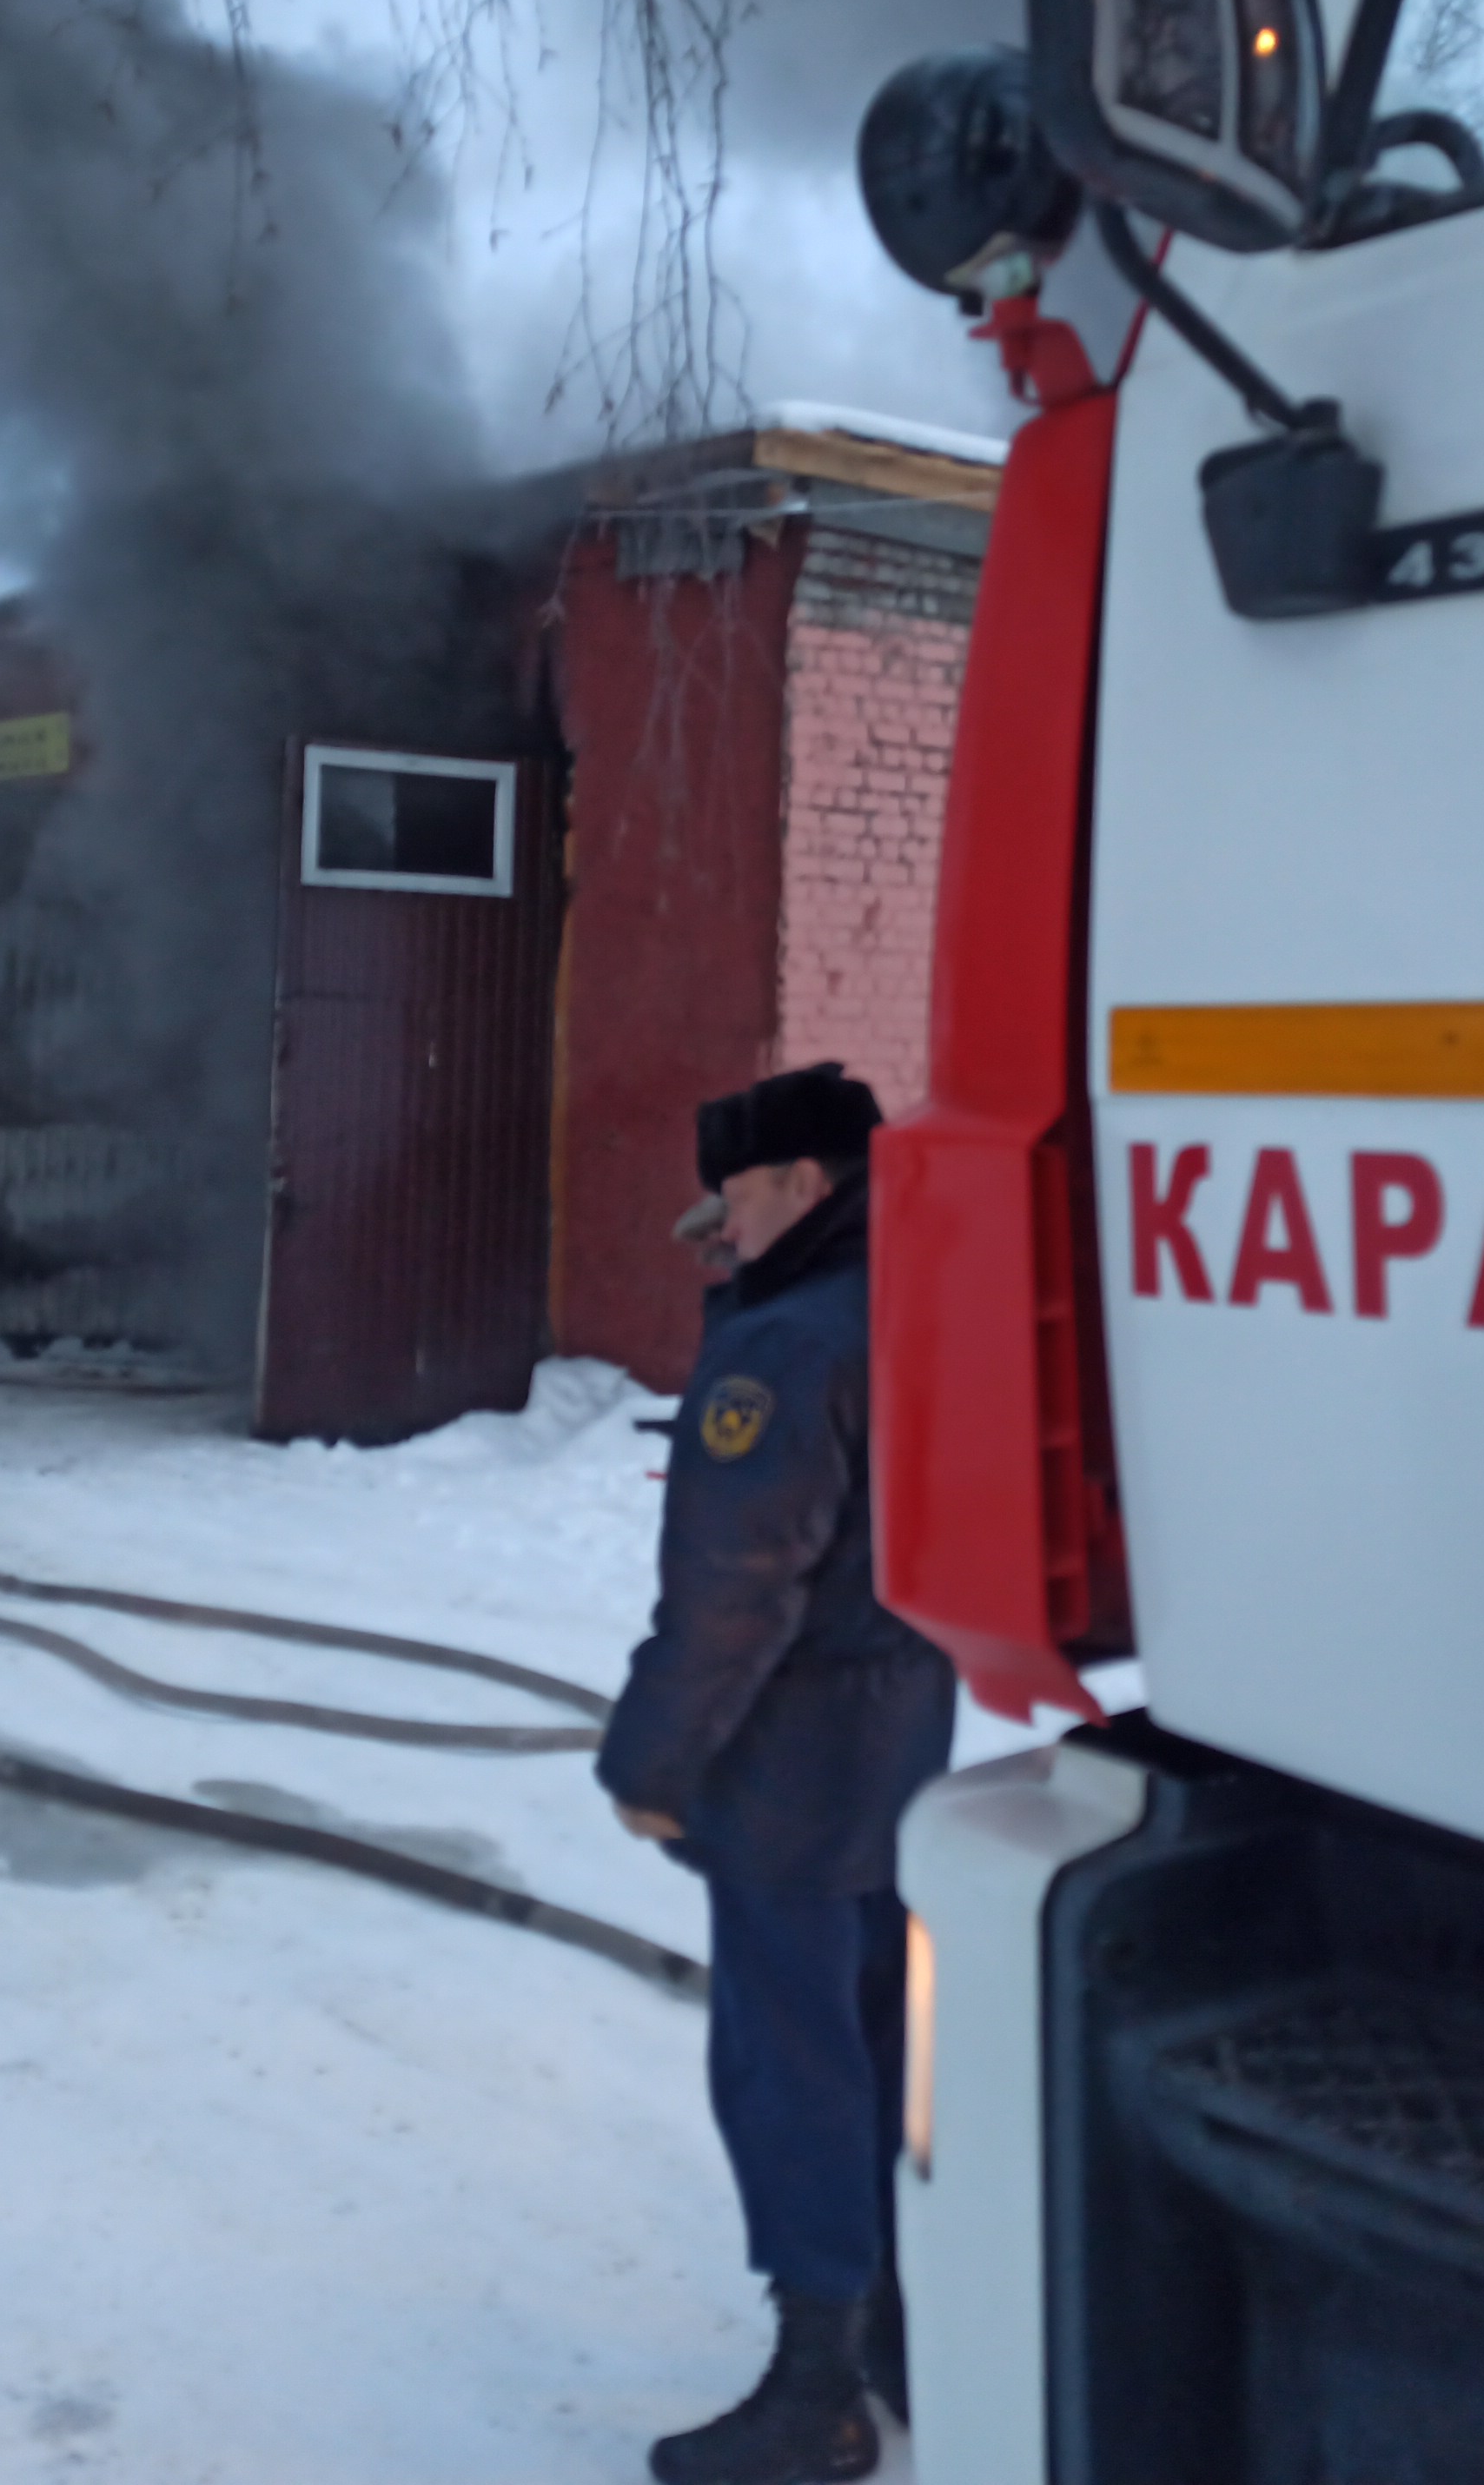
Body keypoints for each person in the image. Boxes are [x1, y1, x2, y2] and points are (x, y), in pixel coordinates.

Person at [600, 1061, 954, 2485]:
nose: (719, 1223)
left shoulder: (788, 1350)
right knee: (881, 2049)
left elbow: (733, 1593)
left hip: (792, 1757)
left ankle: (819, 2396)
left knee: (791, 2065)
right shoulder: (911, 1299)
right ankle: (907, 2340)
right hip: (903, 1732)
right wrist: (744, 1273)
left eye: (737, 1196)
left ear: (807, 1184)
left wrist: (653, 1754)